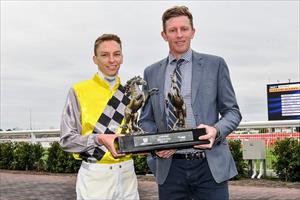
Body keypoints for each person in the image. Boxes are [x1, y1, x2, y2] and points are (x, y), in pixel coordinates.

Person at [139, 6, 242, 200]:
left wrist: (216, 131)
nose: (179, 35)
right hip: (170, 168)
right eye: (172, 30)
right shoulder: (150, 73)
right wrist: (158, 143)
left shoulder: (215, 65)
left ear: (193, 32)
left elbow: (232, 112)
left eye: (184, 29)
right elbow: (145, 120)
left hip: (209, 167)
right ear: (164, 35)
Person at [60, 34, 139, 200]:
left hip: (128, 174)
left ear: (122, 57)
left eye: (116, 54)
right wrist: (99, 139)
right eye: (104, 55)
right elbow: (66, 140)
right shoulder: (78, 91)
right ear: (95, 59)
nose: (112, 60)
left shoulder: (131, 94)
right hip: (95, 177)